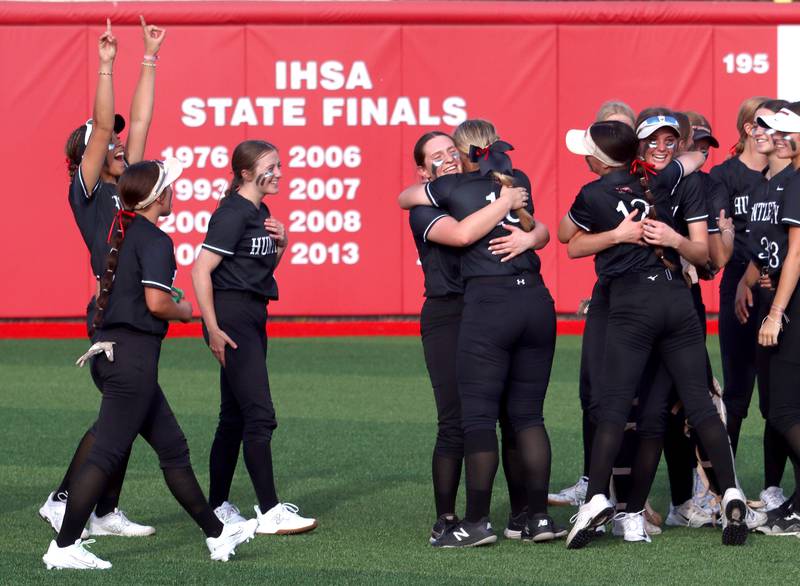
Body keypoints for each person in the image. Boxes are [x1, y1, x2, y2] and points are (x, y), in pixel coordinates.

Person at [42, 159, 258, 570]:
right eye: (169, 187)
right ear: (156, 197)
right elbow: (158, 302)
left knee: (173, 449)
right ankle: (65, 546)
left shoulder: (122, 233)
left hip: (113, 355)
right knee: (105, 454)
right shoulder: (154, 239)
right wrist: (185, 309)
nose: (173, 192)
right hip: (132, 360)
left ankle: (217, 533)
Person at [559, 119, 749, 548]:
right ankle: (730, 491)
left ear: (600, 159)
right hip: (678, 303)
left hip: (632, 307)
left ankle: (595, 500)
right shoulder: (669, 185)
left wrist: (615, 235)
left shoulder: (595, 192)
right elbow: (703, 249)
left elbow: (567, 240)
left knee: (612, 408)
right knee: (689, 408)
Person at [399, 119, 558, 547]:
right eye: (437, 157)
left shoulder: (476, 188)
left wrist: (531, 239)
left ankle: (523, 512)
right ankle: (447, 517)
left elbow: (537, 228)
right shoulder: (428, 207)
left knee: (512, 415)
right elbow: (466, 232)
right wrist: (507, 200)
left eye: (452, 151)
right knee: (457, 420)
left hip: (490, 309)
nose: (448, 159)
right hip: (451, 315)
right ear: (422, 171)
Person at [40, 17, 165, 540]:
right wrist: (106, 65)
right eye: (102, 140)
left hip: (131, 310)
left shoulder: (126, 184)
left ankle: (102, 507)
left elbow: (136, 122)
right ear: (83, 157)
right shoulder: (88, 189)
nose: (116, 144)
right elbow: (108, 128)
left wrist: (149, 57)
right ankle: (66, 500)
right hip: (114, 314)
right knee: (124, 412)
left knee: (129, 414)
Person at [192, 140, 316, 535]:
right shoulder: (232, 213)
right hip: (232, 317)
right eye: (270, 167)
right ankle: (270, 510)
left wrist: (282, 244)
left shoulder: (259, 211)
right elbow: (200, 271)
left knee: (234, 417)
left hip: (251, 312)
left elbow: (258, 270)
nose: (279, 172)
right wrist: (212, 327)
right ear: (246, 173)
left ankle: (218, 505)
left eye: (279, 165)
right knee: (259, 416)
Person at [736, 103, 800, 534]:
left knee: (782, 409)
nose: (776, 136)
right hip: (782, 296)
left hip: (792, 304)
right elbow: (775, 251)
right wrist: (749, 278)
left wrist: (776, 311)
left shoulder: (795, 181)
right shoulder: (786, 179)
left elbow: (796, 251)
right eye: (773, 129)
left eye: (785, 130)